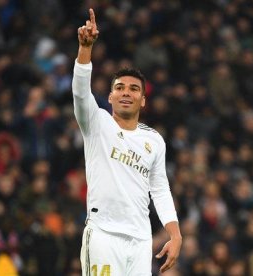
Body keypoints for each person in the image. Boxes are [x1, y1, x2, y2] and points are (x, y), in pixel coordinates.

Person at [73, 9, 182, 275]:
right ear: (109, 97)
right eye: (119, 87)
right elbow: (79, 92)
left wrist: (175, 234)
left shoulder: (154, 140)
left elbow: (159, 189)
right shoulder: (96, 123)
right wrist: (85, 49)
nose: (126, 92)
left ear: (143, 100)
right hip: (103, 235)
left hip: (140, 240)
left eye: (134, 89)